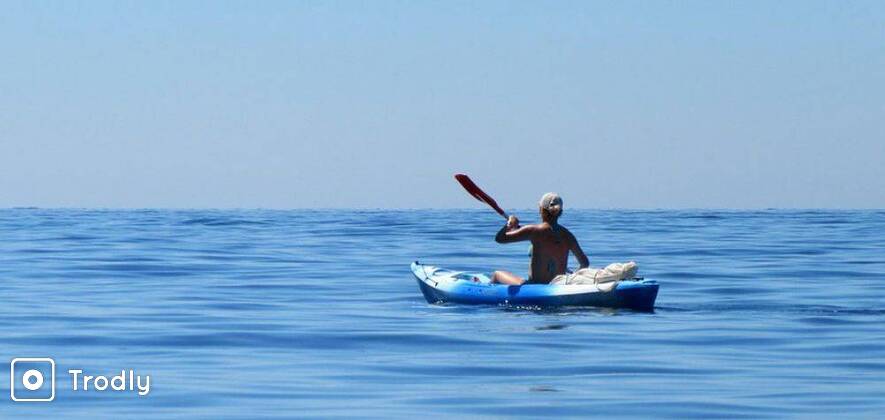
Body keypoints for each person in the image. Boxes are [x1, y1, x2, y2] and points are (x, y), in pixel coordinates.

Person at [491, 193, 589, 285]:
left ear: (541, 210)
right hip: (558, 284)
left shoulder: (534, 230)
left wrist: (510, 224)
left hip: (534, 286)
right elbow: (584, 263)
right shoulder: (568, 235)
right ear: (560, 212)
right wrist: (572, 277)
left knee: (497, 274)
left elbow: (500, 238)